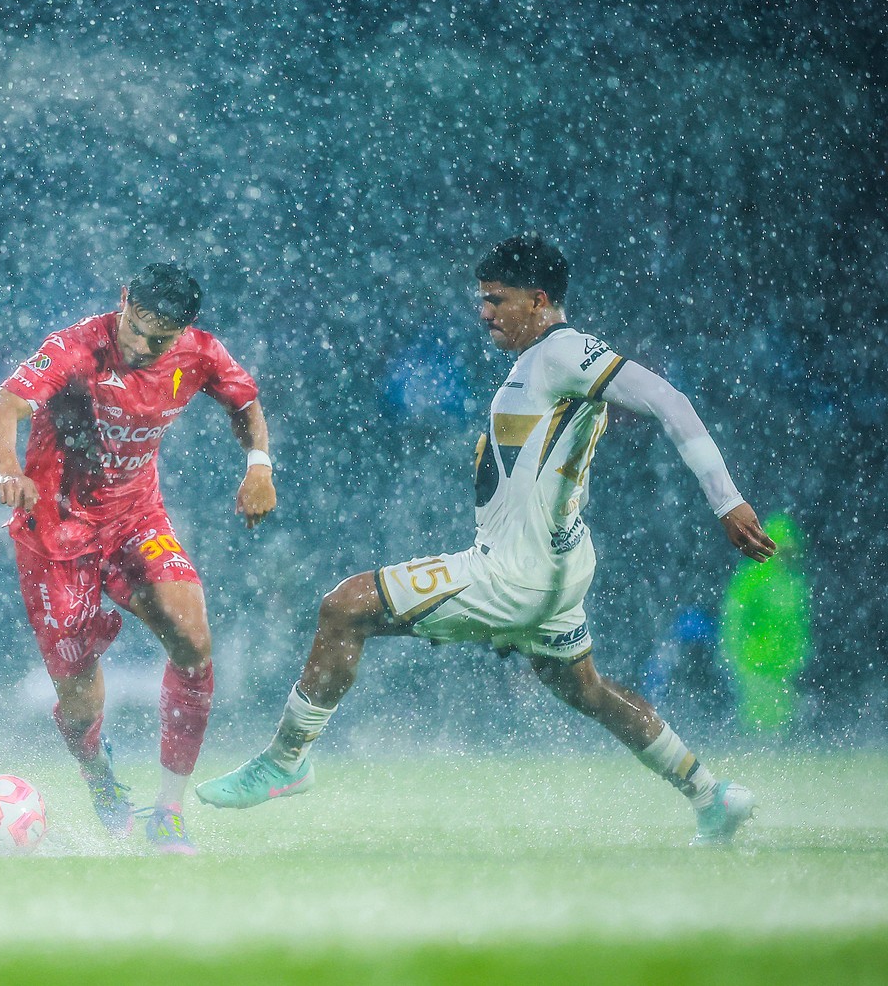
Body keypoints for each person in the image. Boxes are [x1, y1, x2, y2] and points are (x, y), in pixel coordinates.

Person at [196, 234, 776, 846]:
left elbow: (667, 399)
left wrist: (726, 499)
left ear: (540, 299)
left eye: (497, 300)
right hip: (555, 563)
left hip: (514, 572)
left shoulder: (564, 352)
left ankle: (285, 763)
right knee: (588, 690)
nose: (485, 312)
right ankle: (712, 797)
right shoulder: (539, 363)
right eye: (483, 300)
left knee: (345, 607)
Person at [0, 262, 276, 854]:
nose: (141, 346)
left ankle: (169, 811)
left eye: (158, 338)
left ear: (184, 331)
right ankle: (97, 773)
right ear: (123, 301)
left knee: (193, 641)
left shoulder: (202, 354)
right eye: (135, 327)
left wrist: (259, 465)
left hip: (137, 520)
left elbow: (244, 402)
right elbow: (0, 411)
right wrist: (9, 470)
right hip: (55, 536)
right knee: (81, 697)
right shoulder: (73, 348)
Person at [721, 512, 810, 738]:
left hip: (783, 667)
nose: (789, 555)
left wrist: (799, 655)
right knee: (757, 725)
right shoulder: (752, 578)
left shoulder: (793, 582)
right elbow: (734, 619)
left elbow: (797, 625)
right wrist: (733, 656)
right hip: (754, 664)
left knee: (782, 725)